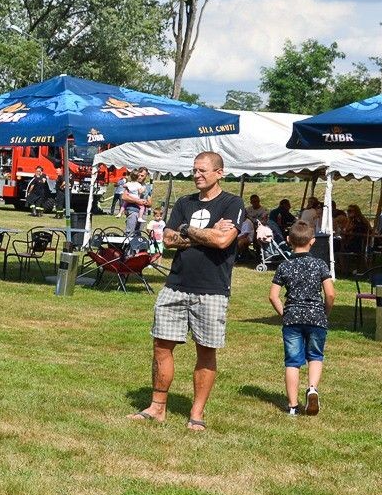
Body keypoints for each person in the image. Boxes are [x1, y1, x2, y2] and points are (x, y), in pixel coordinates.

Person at [128, 151, 244, 432]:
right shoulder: (184, 203)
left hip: (212, 289)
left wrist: (187, 232)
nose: (197, 175)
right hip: (175, 285)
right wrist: (199, 233)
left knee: (205, 351)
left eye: (203, 170)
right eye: (194, 170)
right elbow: (168, 239)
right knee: (161, 345)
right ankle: (157, 408)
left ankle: (196, 414)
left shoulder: (232, 203)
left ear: (219, 172)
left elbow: (223, 241)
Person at [268, 220, 335, 416]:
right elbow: (330, 294)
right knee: (315, 356)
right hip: (316, 317)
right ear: (312, 241)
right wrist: (325, 312)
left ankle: (292, 407)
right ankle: (312, 389)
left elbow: (273, 296)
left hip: (292, 319)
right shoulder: (320, 265)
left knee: (292, 361)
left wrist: (284, 313)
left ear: (288, 240)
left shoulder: (284, 267)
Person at [122, 168, 150, 236]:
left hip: (142, 213)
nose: (140, 177)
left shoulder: (147, 187)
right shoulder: (131, 184)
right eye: (139, 175)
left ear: (146, 176)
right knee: (130, 233)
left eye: (142, 175)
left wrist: (145, 202)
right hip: (133, 211)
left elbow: (150, 203)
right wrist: (137, 201)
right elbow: (124, 197)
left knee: (138, 234)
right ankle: (126, 246)